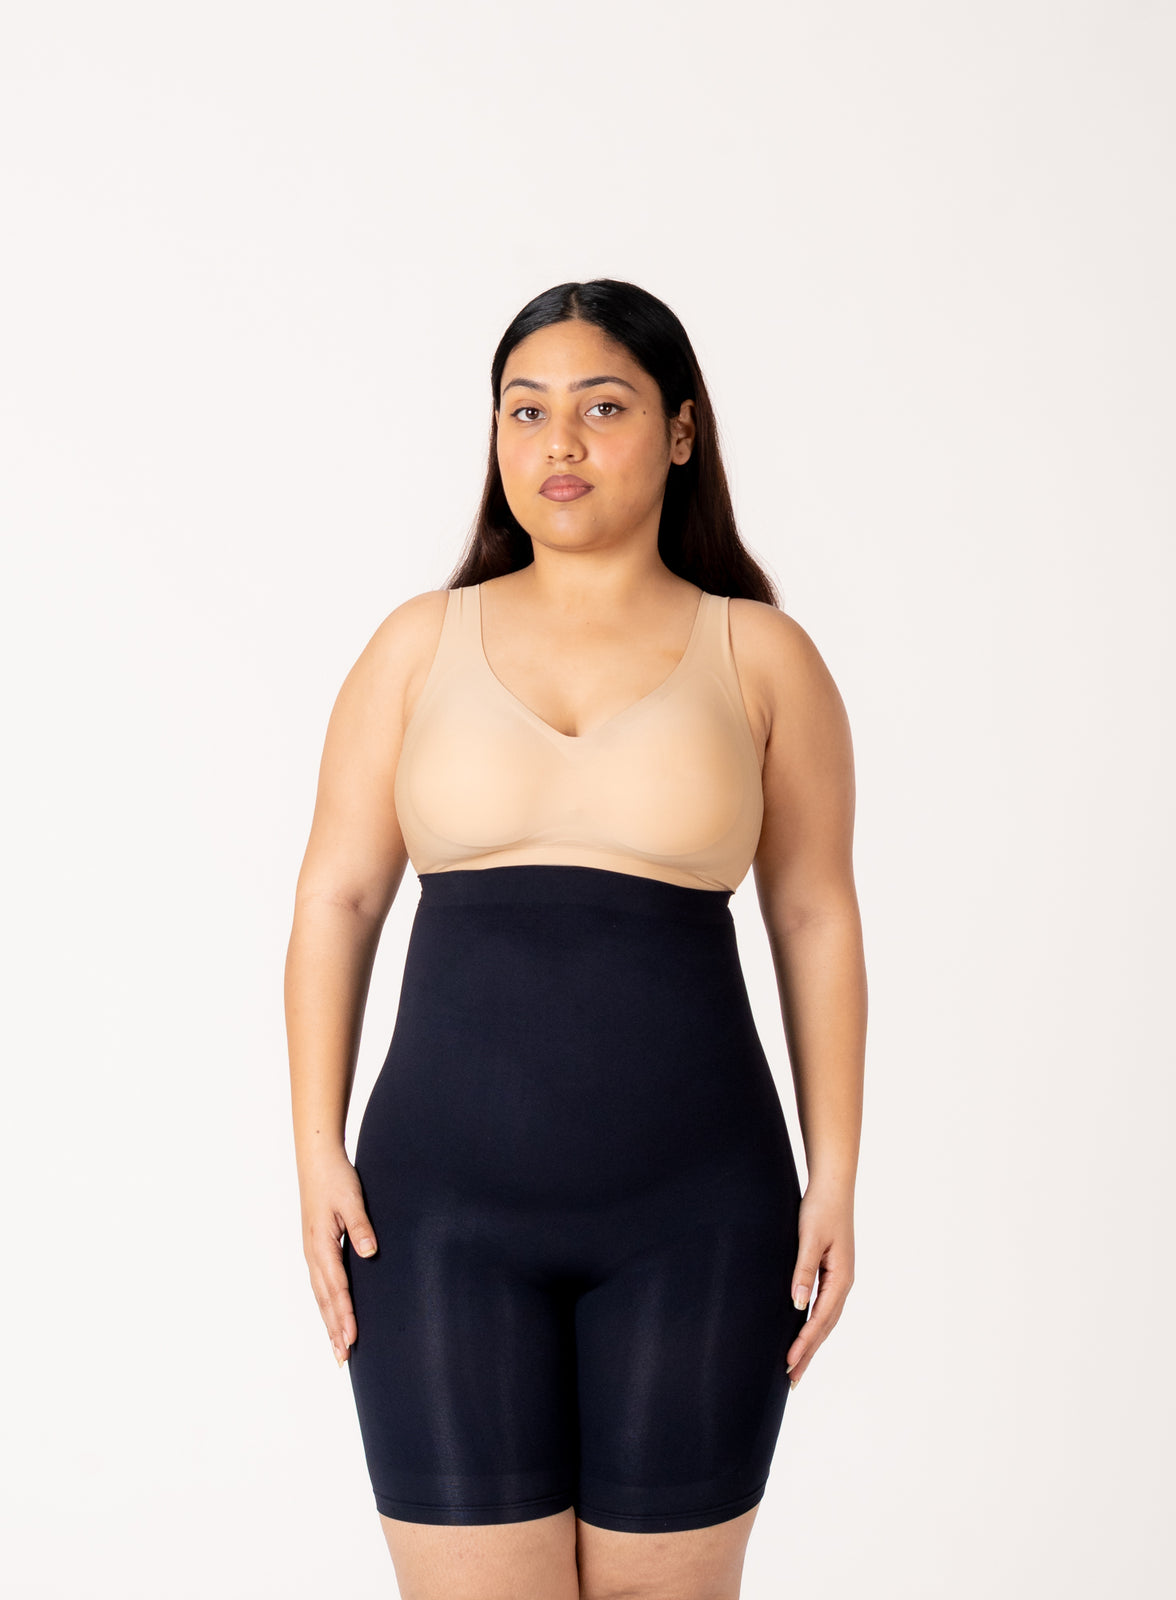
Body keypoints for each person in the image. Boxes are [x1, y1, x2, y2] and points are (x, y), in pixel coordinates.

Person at [284, 278, 866, 1600]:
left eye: (603, 408)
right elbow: (337, 898)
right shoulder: (416, 646)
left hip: (702, 1218)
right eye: (525, 410)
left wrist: (835, 1173)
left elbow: (816, 917)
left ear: (679, 431)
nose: (559, 442)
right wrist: (315, 1147)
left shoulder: (763, 656)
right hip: (435, 1220)